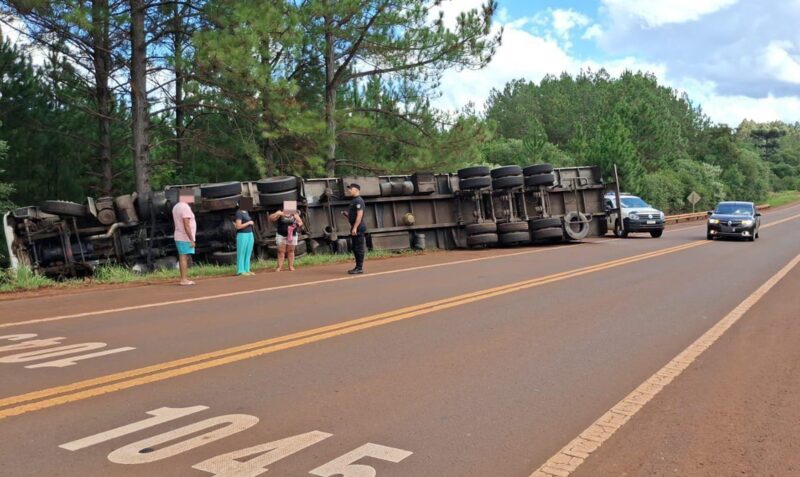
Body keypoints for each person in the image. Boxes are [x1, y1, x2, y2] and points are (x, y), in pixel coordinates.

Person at [172, 189, 197, 286]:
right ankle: (184, 279)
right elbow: (186, 224)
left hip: (179, 235)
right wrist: (191, 239)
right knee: (183, 257)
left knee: (183, 256)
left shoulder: (176, 206)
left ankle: (184, 278)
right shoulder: (185, 207)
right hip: (184, 236)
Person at [269, 206, 303, 272]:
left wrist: (295, 225)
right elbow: (271, 218)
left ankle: (291, 266)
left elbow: (300, 222)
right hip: (281, 235)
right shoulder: (280, 212)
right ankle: (279, 267)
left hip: (292, 234)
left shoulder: (294, 213)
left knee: (291, 251)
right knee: (281, 251)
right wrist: (278, 214)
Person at [342, 183, 367, 274]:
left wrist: (355, 227)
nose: (349, 190)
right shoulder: (354, 200)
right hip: (355, 226)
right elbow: (354, 215)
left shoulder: (359, 200)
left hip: (358, 227)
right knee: (355, 248)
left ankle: (359, 268)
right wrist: (347, 215)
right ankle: (357, 267)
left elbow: (359, 215)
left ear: (356, 190)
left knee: (358, 248)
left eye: (350, 189)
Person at [234, 200, 255, 276]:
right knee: (241, 252)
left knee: (248, 252)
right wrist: (249, 223)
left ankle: (247, 269)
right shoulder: (239, 213)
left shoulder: (246, 212)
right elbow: (238, 226)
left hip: (249, 233)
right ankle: (240, 270)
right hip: (242, 234)